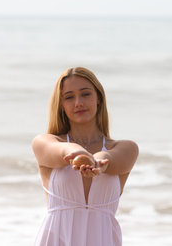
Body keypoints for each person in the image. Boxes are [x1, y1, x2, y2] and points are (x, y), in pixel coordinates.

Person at [32, 67, 139, 246]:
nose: (78, 103)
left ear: (98, 98)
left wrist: (100, 161)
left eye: (85, 94)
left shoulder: (126, 148)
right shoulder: (45, 142)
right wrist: (77, 153)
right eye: (69, 97)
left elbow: (111, 157)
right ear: (61, 105)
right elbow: (61, 150)